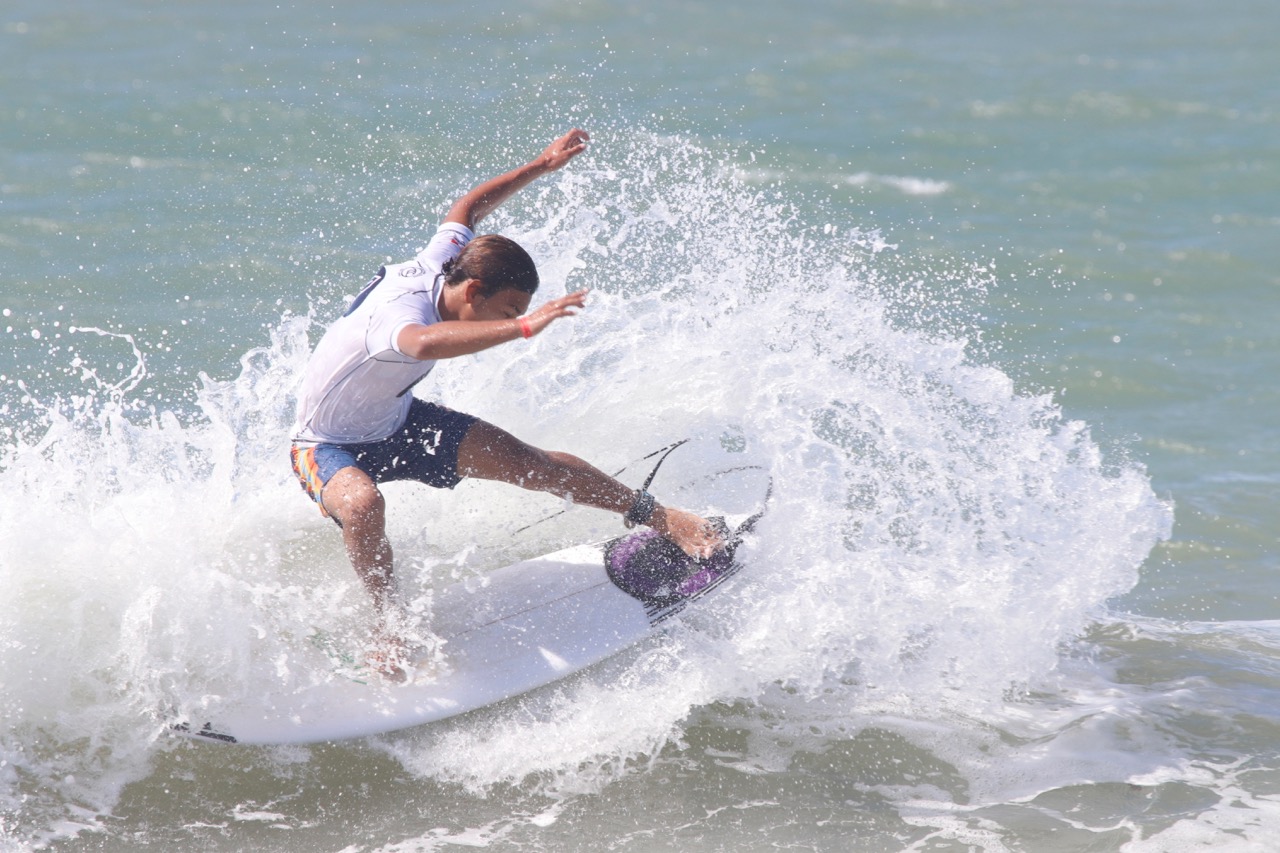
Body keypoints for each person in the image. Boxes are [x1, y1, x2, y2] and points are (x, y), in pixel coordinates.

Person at [290, 128, 723, 678]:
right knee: (362, 505)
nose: (509, 320)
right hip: (325, 444)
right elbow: (421, 344)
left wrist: (540, 166)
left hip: (395, 421)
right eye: (506, 308)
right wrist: (522, 327)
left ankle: (662, 518)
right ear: (473, 292)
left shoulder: (448, 261)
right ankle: (388, 627)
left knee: (529, 463)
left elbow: (468, 207)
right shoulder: (400, 316)